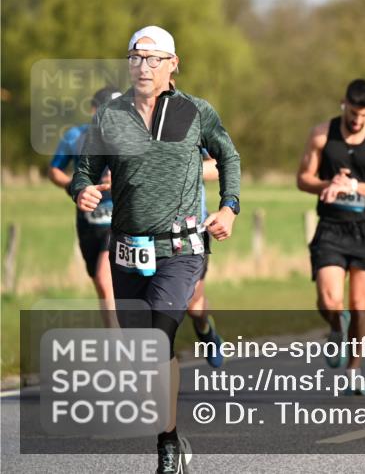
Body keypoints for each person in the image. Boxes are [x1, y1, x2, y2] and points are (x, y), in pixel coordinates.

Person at [72, 25, 241, 474]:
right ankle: (172, 435)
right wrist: (82, 189)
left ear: (173, 64)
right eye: (135, 57)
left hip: (181, 249)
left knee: (158, 337)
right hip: (127, 249)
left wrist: (229, 208)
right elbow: (84, 169)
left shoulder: (195, 111)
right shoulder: (110, 117)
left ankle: (165, 447)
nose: (142, 66)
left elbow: (228, 156)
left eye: (152, 58)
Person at [296, 79, 365, 396]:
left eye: (363, 114)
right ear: (344, 104)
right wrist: (328, 184)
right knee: (329, 300)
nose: (357, 120)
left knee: (360, 305)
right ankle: (335, 327)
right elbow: (303, 179)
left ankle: (354, 369)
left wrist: (353, 187)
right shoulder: (321, 135)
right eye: (353, 112)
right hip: (331, 226)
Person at [48, 86, 121, 322]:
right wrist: (74, 186)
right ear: (94, 110)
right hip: (88, 222)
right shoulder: (75, 137)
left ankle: (120, 342)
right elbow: (54, 170)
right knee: (102, 286)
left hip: (121, 222)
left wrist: (120, 180)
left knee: (104, 278)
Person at [187, 149, 225, 367]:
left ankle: (206, 332)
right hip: (145, 232)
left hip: (191, 231)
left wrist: (177, 167)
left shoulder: (195, 128)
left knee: (193, 306)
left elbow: (220, 165)